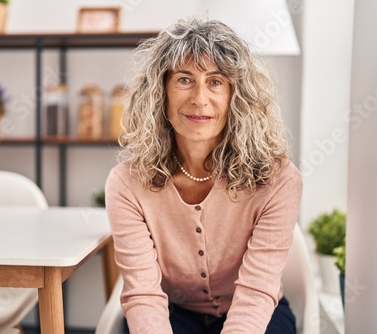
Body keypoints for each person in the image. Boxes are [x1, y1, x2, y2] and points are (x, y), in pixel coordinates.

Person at [105, 17, 302, 334]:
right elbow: (143, 294)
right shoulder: (127, 182)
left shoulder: (279, 180)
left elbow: (255, 293)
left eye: (215, 82)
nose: (200, 98)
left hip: (257, 314)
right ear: (161, 92)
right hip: (172, 314)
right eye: (184, 79)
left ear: (236, 96)